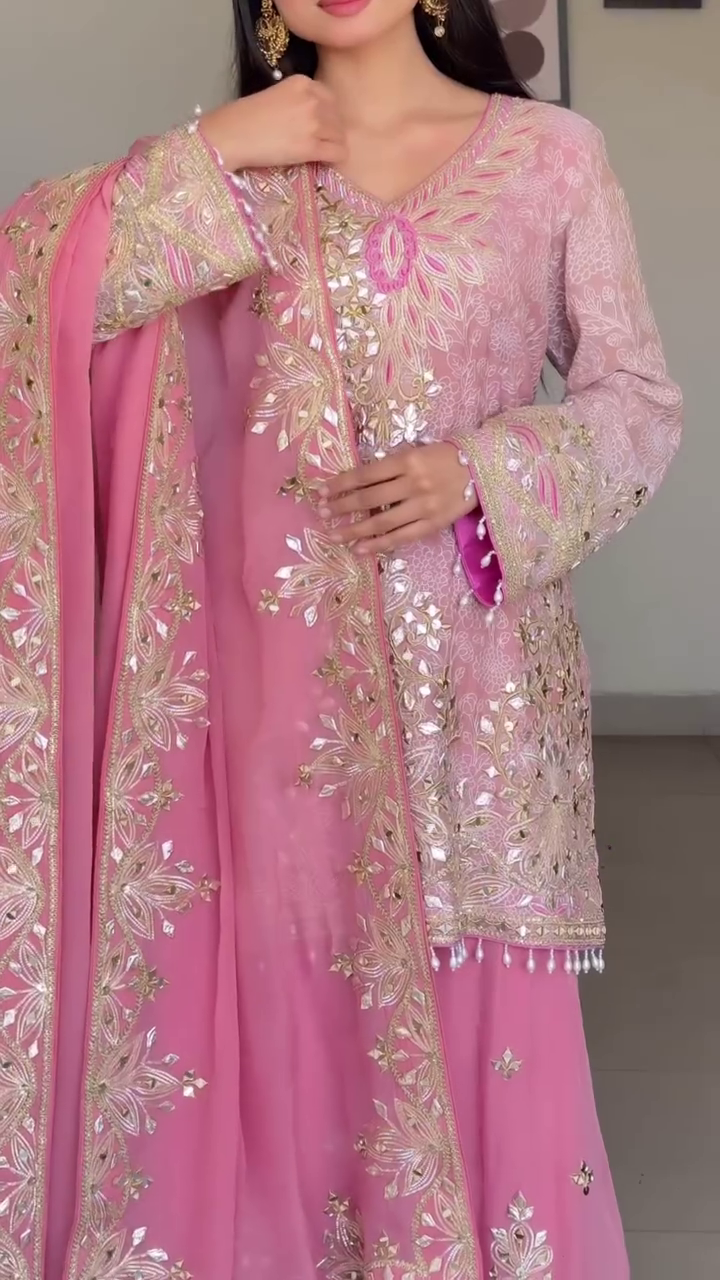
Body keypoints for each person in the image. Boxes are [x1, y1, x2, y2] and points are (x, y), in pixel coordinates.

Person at [0, 0, 682, 1276]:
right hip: (280, 721)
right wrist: (213, 152)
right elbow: (44, 302)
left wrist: (478, 471)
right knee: (299, 1051)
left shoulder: (551, 157)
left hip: (485, 711)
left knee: (494, 1054)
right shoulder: (238, 169)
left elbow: (636, 405)